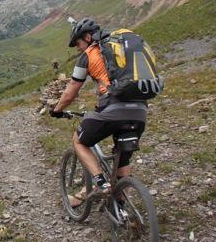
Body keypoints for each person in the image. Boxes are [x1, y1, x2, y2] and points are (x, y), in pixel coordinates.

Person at [50, 18, 147, 206]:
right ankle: (122, 208)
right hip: (140, 110)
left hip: (113, 109)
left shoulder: (88, 55)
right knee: (123, 157)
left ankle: (100, 184)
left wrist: (57, 110)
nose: (78, 48)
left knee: (79, 141)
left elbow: (71, 92)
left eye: (78, 43)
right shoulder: (124, 51)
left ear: (87, 37)